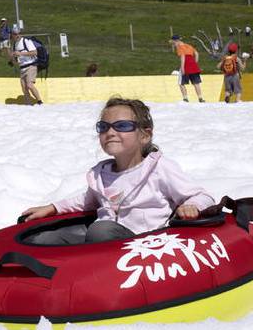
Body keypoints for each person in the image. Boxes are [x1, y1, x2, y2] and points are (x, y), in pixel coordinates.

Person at [21, 97, 215, 244]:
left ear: (145, 135)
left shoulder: (158, 168)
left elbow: (202, 195)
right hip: (105, 243)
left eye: (122, 126)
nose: (110, 132)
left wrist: (192, 206)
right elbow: (87, 201)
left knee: (100, 231)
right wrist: (52, 208)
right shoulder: (102, 174)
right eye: (103, 127)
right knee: (43, 239)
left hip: (143, 244)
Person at [9, 26, 43, 105]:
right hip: (22, 68)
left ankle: (40, 102)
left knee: (29, 85)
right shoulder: (14, 45)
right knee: (24, 88)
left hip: (31, 66)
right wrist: (12, 60)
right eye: (14, 34)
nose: (16, 35)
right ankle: (29, 105)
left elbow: (35, 52)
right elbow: (18, 60)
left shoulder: (26, 41)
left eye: (18, 34)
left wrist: (20, 53)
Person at [170, 35, 204, 103]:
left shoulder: (179, 47)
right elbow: (196, 53)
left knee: (181, 83)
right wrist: (195, 63)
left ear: (176, 41)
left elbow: (183, 56)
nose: (173, 44)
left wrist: (182, 67)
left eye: (173, 42)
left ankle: (185, 98)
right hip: (193, 65)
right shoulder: (188, 46)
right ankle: (200, 98)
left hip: (186, 65)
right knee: (196, 83)